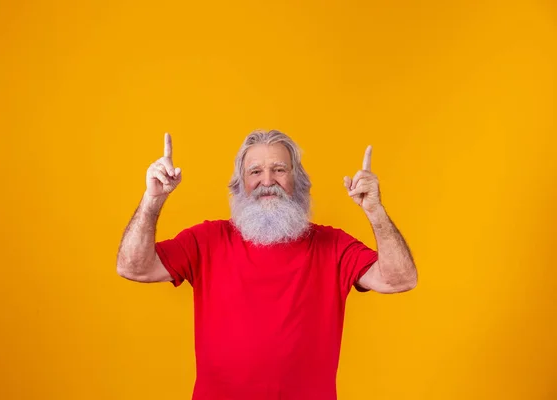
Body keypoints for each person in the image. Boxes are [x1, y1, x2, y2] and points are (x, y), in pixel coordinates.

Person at [116, 129, 417, 400]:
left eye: (279, 169)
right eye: (255, 171)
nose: (267, 181)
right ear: (240, 184)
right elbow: (134, 267)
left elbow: (399, 279)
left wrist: (375, 212)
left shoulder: (332, 245)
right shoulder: (207, 240)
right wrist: (152, 200)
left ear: (297, 180)